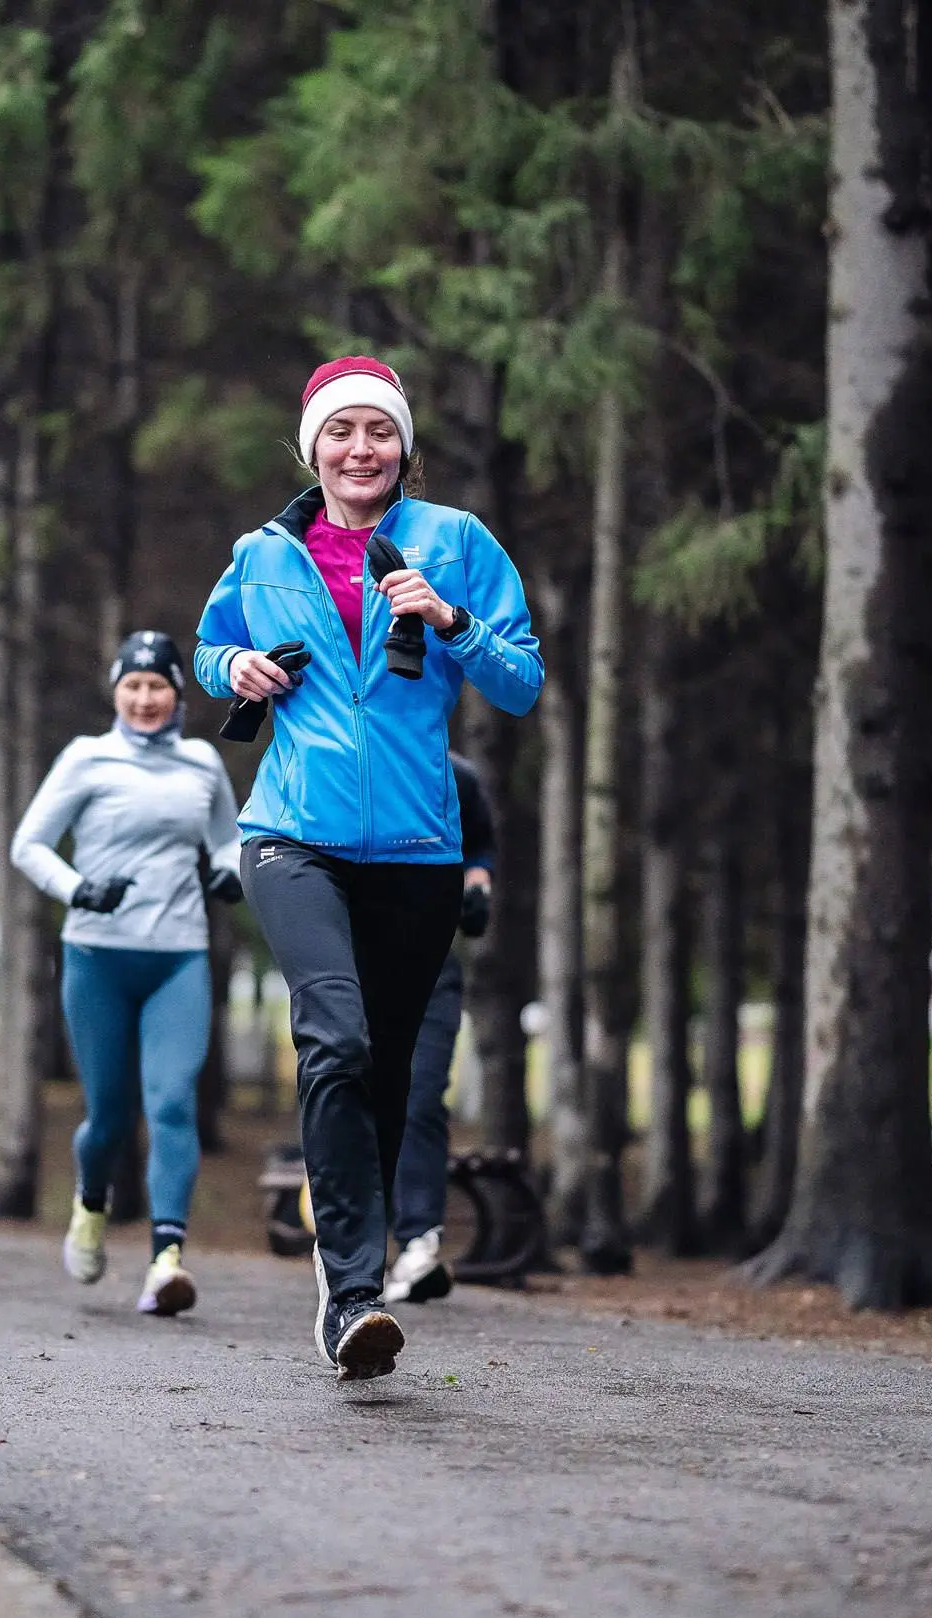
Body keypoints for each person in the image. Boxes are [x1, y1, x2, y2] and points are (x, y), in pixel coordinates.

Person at [196, 357, 542, 1380]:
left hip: (416, 846)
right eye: (340, 431)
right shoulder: (261, 553)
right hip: (290, 833)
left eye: (377, 432)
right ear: (313, 446)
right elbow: (213, 647)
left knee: (386, 1073)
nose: (360, 448)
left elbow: (518, 682)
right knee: (335, 1036)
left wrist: (450, 620)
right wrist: (233, 668)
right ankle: (348, 1292)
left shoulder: (459, 542)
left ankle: (365, 1254)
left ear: (402, 446)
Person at [11, 630, 242, 1318]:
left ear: (177, 694)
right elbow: (29, 843)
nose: (145, 698)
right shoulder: (87, 757)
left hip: (178, 955)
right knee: (108, 1116)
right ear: (116, 690)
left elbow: (226, 834)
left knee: (172, 1101)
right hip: (97, 956)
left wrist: (228, 868)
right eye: (133, 686)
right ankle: (90, 1204)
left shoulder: (201, 762)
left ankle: (167, 1256)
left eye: (158, 686)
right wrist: (78, 889)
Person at [383, 754, 498, 1303]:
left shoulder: (459, 776)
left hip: (430, 964)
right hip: (348, 961)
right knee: (350, 1085)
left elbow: (479, 844)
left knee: (423, 1096)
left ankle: (419, 1242)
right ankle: (347, 1242)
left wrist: (478, 884)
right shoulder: (341, 754)